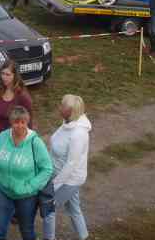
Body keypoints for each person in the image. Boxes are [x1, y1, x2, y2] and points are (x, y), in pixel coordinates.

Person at [0, 105, 53, 240]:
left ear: (27, 122)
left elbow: (47, 169)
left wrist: (28, 187)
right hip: (4, 192)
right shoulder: (2, 138)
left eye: (23, 122)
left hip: (27, 196)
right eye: (16, 122)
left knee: (26, 230)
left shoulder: (35, 143)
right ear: (11, 122)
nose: (19, 126)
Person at [42, 95, 91, 240]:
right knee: (74, 209)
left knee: (48, 208)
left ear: (71, 111)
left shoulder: (78, 134)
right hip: (58, 174)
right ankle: (84, 236)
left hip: (70, 180)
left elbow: (71, 164)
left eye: (63, 106)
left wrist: (53, 185)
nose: (59, 107)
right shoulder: (67, 124)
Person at [0, 60, 32, 152]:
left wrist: (25, 144)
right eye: (3, 73)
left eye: (8, 75)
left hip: (13, 143)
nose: (4, 77)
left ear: (15, 76)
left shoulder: (23, 97)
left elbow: (29, 123)